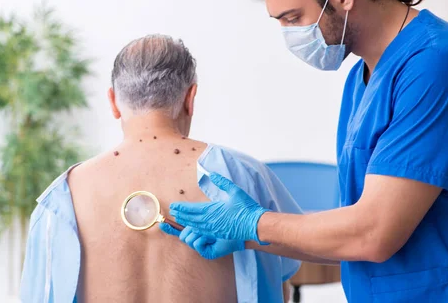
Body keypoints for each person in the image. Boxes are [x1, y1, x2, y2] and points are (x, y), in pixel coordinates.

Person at [166, 0, 448, 303]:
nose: (290, 34)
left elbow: (372, 233)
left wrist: (255, 223)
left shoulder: (438, 64)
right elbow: (349, 235)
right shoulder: (363, 77)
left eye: (294, 18)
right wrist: (248, 237)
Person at [19, 34, 303, 303]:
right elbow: (284, 277)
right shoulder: (244, 175)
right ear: (190, 98)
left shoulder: (61, 198)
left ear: (114, 101)